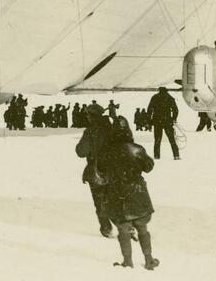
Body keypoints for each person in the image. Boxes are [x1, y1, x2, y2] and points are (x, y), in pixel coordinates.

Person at [97, 117, 158, 270]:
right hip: (137, 193)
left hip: (117, 194)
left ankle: (127, 261)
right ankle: (149, 259)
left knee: (123, 229)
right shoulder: (136, 149)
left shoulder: (106, 152)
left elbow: (101, 171)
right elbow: (148, 166)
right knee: (142, 228)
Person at [75, 104, 114, 238]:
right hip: (115, 170)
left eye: (88, 114)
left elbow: (81, 152)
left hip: (96, 171)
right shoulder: (112, 128)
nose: (86, 116)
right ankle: (128, 226)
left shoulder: (90, 131)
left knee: (100, 200)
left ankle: (106, 227)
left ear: (92, 116)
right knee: (117, 198)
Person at [147, 86, 180, 160]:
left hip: (157, 121)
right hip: (167, 121)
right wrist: (174, 119)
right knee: (172, 139)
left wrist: (149, 122)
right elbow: (175, 110)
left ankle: (156, 156)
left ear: (159, 91)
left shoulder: (155, 97)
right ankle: (176, 155)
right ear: (166, 91)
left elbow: (149, 110)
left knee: (157, 140)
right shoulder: (170, 98)